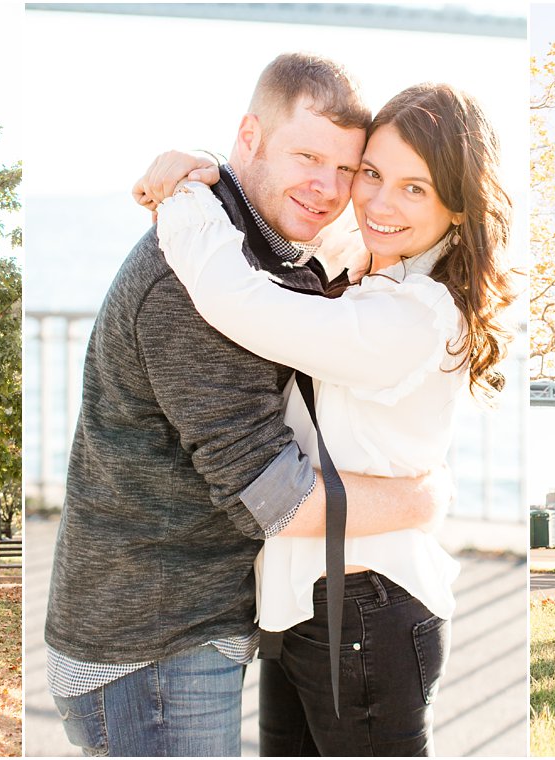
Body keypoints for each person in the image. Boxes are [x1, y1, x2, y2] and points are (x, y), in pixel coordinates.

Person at [44, 53, 451, 758]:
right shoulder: (193, 292)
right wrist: (419, 501)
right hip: (151, 645)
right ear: (250, 136)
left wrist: (202, 170)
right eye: (307, 155)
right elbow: (273, 498)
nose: (328, 189)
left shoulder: (250, 250)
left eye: (347, 169)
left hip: (187, 623)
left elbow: (358, 238)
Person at [140, 81, 516, 755]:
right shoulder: (369, 260)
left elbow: (243, 302)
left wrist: (182, 202)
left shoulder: (414, 315)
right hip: (306, 601)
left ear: (458, 207)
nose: (376, 200)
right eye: (372, 173)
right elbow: (273, 197)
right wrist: (199, 164)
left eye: (415, 188)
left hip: (367, 605)